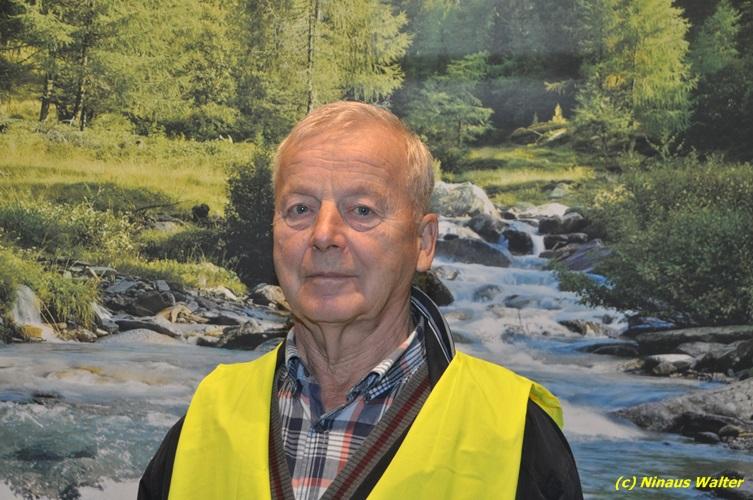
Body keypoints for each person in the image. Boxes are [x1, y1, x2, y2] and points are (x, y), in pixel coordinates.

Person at [139, 101, 583, 500]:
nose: (324, 235)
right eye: (300, 209)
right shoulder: (207, 417)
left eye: (362, 210)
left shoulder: (514, 435)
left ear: (424, 242)